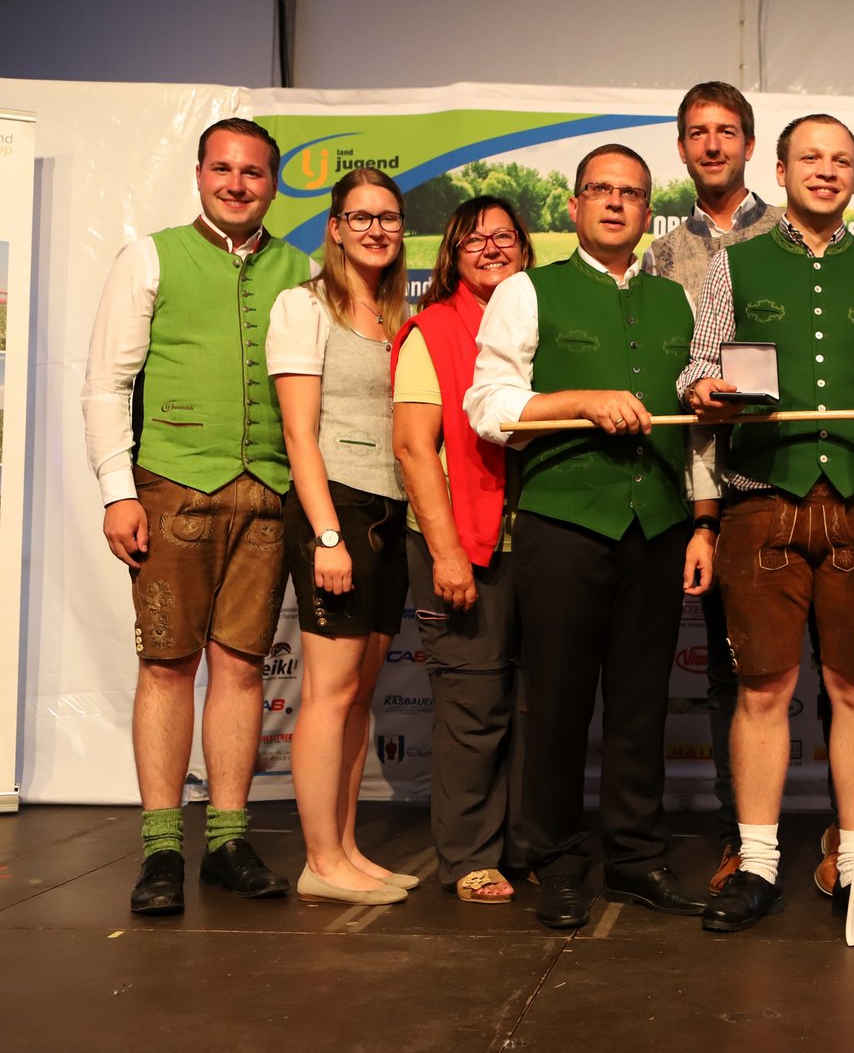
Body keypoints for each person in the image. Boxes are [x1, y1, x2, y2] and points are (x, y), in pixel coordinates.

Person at [680, 113, 854, 933]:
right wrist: (702, 390)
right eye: (811, 157)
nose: (826, 170)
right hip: (758, 500)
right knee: (763, 689)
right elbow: (700, 364)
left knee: (852, 690)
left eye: (841, 160)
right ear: (780, 171)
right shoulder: (733, 266)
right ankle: (759, 864)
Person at [466, 143, 718, 930]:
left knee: (642, 706)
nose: (615, 202)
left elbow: (699, 432)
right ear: (574, 206)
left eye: (631, 193)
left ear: (648, 212)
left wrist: (703, 522)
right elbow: (489, 406)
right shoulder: (526, 291)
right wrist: (579, 400)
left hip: (660, 527)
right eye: (600, 190)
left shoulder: (679, 301)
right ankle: (559, 862)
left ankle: (637, 861)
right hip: (564, 525)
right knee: (558, 704)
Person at [82, 118, 313, 916]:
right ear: (199, 174)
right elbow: (107, 383)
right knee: (167, 665)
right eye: (223, 169)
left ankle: (226, 840)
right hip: (171, 485)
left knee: (243, 667)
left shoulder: (302, 269)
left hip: (268, 494)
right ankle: (160, 847)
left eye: (253, 172)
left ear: (273, 183)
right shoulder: (150, 257)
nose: (237, 184)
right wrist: (117, 489)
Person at [642, 82, 785, 894]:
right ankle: (742, 835)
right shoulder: (661, 257)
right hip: (707, 484)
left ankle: (844, 834)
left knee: (834, 671)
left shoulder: (792, 234)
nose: (712, 144)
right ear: (682, 148)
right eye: (698, 132)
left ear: (750, 145)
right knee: (734, 671)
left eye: (727, 131)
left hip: (796, 470)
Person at [268, 168, 413, 906]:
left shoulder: (396, 317)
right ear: (335, 227)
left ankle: (347, 849)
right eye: (361, 217)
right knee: (328, 694)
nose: (376, 230)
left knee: (359, 693)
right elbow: (300, 435)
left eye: (388, 217)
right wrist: (328, 535)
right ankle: (320, 862)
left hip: (392, 509)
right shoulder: (304, 306)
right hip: (339, 510)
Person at [392, 196, 535, 903]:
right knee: (474, 705)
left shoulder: (537, 322)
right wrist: (448, 555)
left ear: (524, 250)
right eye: (473, 239)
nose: (490, 248)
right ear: (451, 255)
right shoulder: (434, 330)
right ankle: (470, 854)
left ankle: (522, 844)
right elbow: (414, 449)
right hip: (459, 541)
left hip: (535, 539)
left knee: (532, 705)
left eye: (503, 237)